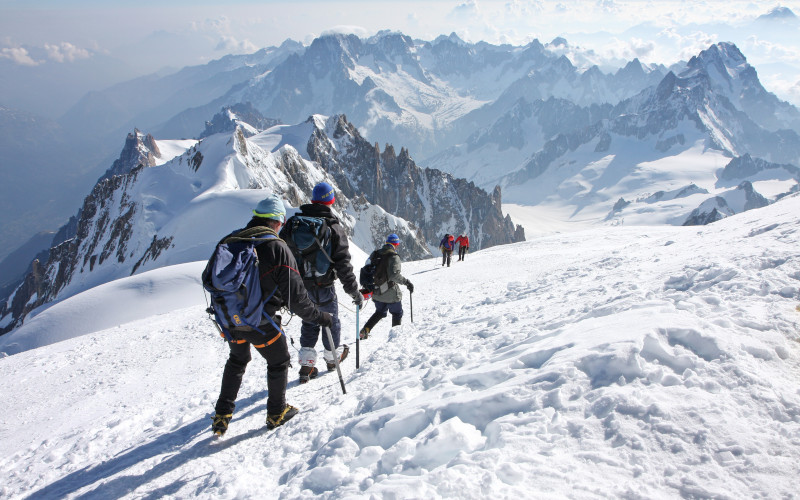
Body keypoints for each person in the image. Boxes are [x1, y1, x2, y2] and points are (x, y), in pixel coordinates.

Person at [212, 194, 333, 436]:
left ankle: (221, 416)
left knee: (237, 360)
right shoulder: (277, 248)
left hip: (229, 318)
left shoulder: (230, 240)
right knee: (278, 360)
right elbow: (297, 299)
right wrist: (321, 317)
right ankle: (276, 413)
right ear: (278, 222)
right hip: (260, 323)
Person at [280, 182, 363, 383]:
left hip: (299, 287)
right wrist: (354, 292)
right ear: (331, 201)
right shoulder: (333, 227)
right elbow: (343, 264)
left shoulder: (293, 224)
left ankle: (306, 366)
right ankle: (332, 359)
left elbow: (282, 255)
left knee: (309, 321)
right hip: (324, 286)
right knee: (330, 321)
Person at [359, 233, 413, 339]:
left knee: (379, 312)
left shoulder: (375, 254)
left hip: (376, 292)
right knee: (397, 313)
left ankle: (365, 330)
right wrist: (407, 282)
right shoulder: (393, 257)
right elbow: (394, 276)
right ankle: (395, 338)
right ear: (396, 244)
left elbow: (367, 268)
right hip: (391, 294)